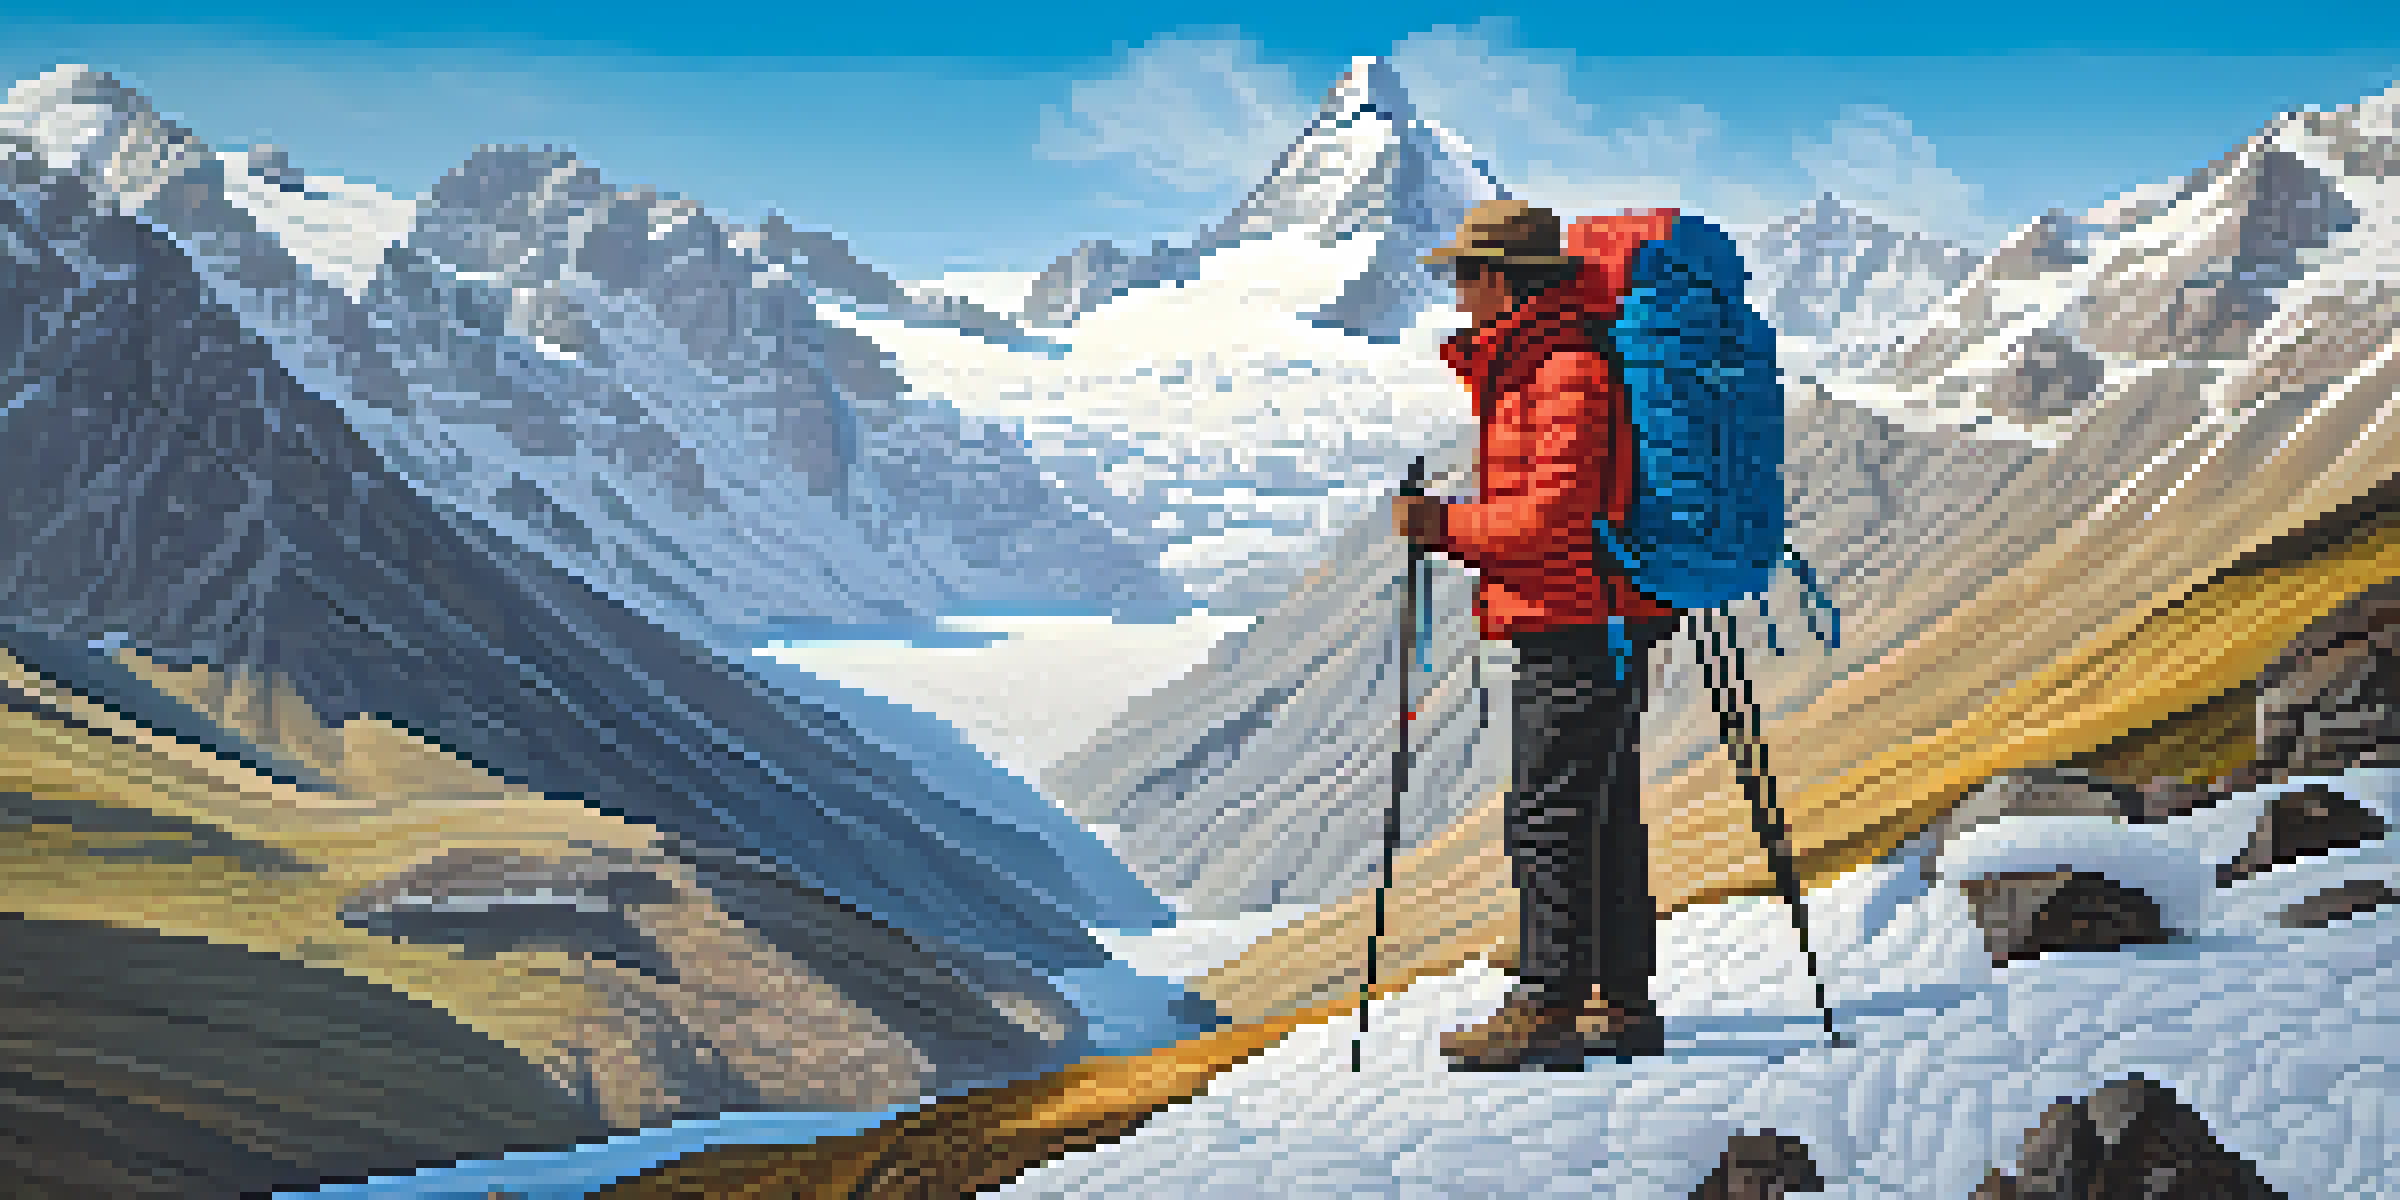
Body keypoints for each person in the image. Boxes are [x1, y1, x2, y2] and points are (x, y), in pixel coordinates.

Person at [1394, 198, 1679, 1071]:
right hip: (1598, 615)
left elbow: (1558, 515)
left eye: (1461, 276)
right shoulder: (1548, 357)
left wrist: (1445, 528)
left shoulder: (1561, 366)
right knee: (1600, 812)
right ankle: (1618, 1003)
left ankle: (1547, 1006)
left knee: (1550, 816)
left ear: (1498, 279)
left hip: (1576, 621)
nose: (1455, 293)